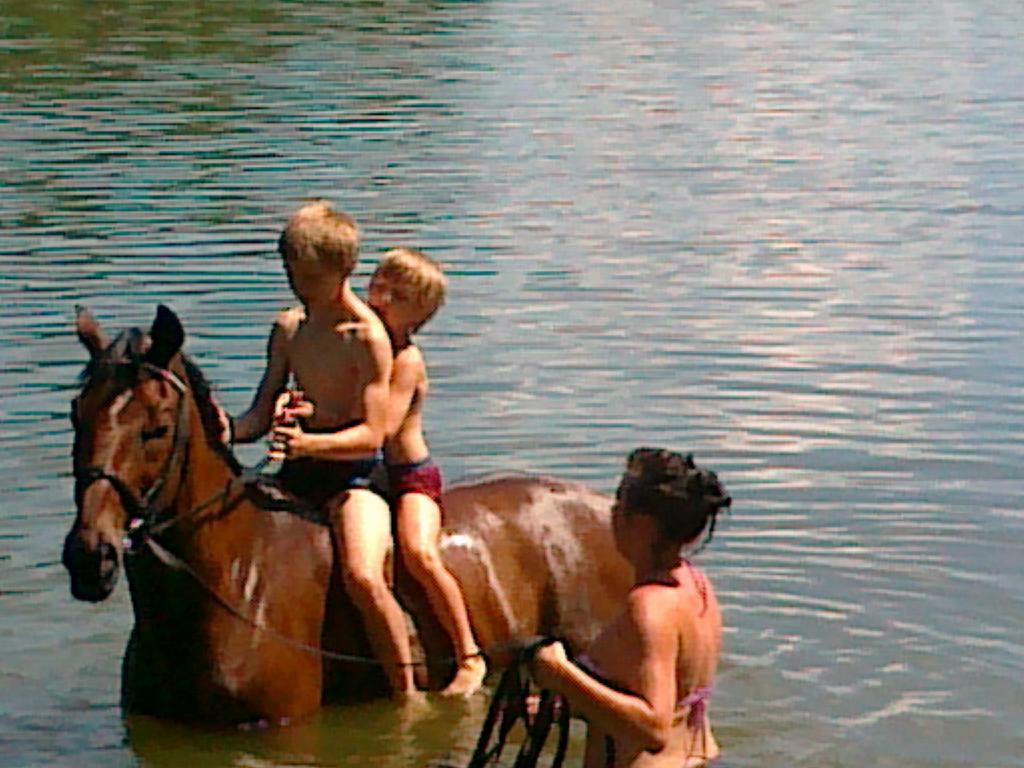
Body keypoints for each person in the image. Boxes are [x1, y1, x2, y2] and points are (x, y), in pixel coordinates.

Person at [225, 201, 419, 700]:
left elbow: (374, 434)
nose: (298, 286)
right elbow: (259, 414)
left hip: (355, 476)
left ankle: (408, 691)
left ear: (343, 270)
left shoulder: (366, 338)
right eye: (291, 272)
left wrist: (311, 442)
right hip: (299, 469)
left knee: (361, 573)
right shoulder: (289, 329)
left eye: (309, 276)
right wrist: (222, 431)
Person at [530, 448, 731, 767]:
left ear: (642, 524)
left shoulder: (648, 607)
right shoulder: (697, 584)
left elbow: (653, 728)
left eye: (619, 504)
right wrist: (571, 699)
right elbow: (669, 692)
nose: (611, 514)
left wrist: (560, 674)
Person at [366, 247, 487, 697]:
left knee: (418, 552)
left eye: (392, 294)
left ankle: (468, 654)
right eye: (376, 284)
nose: (377, 298)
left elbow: (386, 427)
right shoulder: (364, 347)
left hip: (411, 476)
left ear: (415, 314)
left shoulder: (406, 360)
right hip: (371, 475)